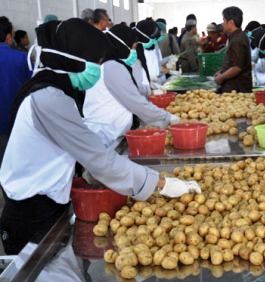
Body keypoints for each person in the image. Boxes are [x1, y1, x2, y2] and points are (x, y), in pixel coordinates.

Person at [0, 19, 200, 255]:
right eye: (94, 63)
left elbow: (80, 150)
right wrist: (163, 184)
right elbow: (99, 160)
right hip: (31, 209)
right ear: (74, 61)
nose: (98, 69)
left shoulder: (55, 87)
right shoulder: (48, 98)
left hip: (47, 196)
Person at [84, 24, 178, 150]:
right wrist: (166, 116)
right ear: (122, 44)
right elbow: (135, 102)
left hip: (110, 132)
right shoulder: (112, 67)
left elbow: (131, 94)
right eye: (132, 47)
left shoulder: (108, 64)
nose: (133, 52)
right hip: (106, 133)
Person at [0, 17, 31, 164]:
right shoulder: (21, 58)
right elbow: (32, 86)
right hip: (14, 118)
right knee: (13, 160)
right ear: (8, 37)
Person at [215, 6, 252, 93]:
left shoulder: (237, 40)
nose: (222, 24)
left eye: (224, 20)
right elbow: (233, 62)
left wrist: (221, 77)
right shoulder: (236, 37)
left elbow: (237, 67)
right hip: (235, 88)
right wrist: (221, 72)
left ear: (231, 22)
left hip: (237, 90)